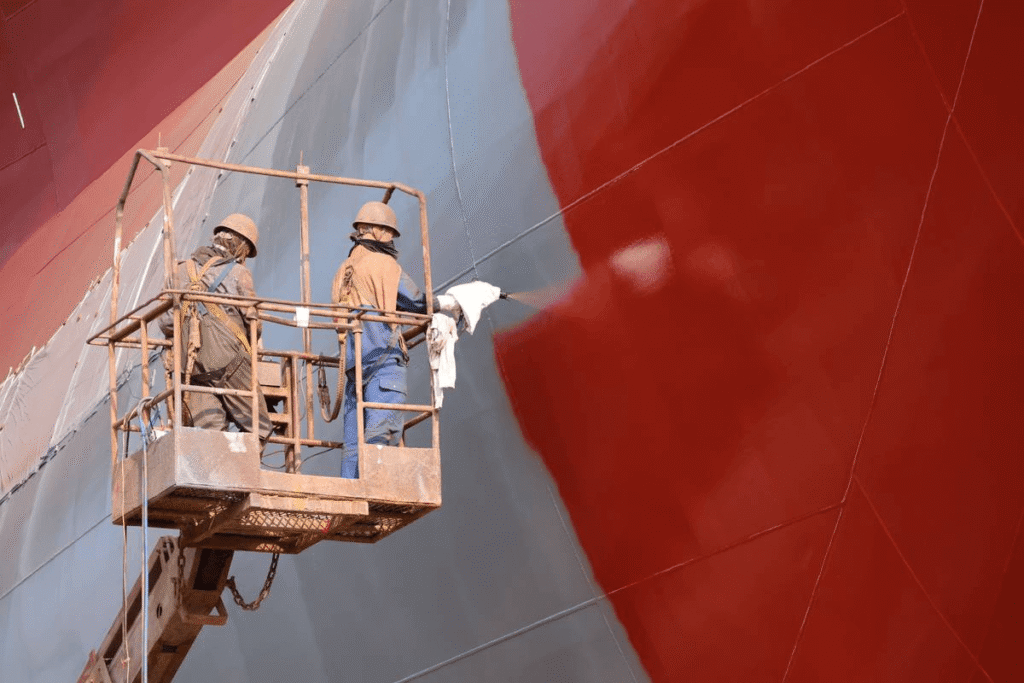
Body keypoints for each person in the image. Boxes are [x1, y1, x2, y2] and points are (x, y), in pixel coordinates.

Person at [332, 201, 459, 478]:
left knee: (353, 446)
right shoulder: (382, 264)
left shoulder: (343, 271)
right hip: (383, 363)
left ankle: (350, 491)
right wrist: (448, 302)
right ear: (376, 231)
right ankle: (376, 487)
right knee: (382, 431)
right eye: (389, 232)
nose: (391, 239)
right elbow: (415, 301)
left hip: (355, 369)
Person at [158, 214, 272, 444]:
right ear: (240, 245)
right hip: (231, 364)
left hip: (191, 368)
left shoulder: (179, 271)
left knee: (211, 434)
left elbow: (166, 323)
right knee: (260, 429)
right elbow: (254, 324)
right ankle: (241, 465)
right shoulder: (239, 274)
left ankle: (218, 466)